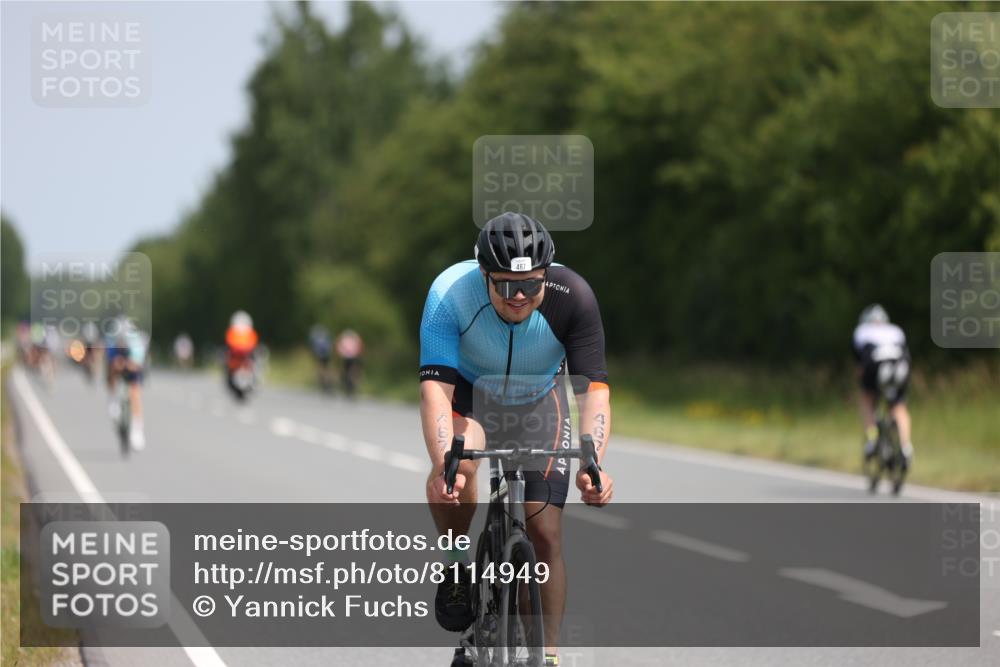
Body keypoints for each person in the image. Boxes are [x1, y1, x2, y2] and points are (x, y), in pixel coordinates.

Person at [419, 212, 613, 667]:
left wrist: (593, 465)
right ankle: (455, 561)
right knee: (460, 470)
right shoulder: (450, 294)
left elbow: (594, 393)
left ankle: (545, 655)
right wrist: (444, 461)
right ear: (483, 274)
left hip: (538, 400)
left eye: (532, 284)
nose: (520, 296)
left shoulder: (574, 297)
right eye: (506, 286)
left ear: (548, 273)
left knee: (545, 533)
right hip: (470, 395)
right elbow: (435, 390)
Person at [853, 304, 913, 468]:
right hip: (900, 366)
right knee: (899, 407)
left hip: (875, 365)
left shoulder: (862, 331)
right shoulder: (896, 330)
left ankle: (872, 439)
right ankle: (905, 447)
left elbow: (860, 365)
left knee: (867, 399)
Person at [105, 316, 148, 449]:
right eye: (120, 341)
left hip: (133, 365)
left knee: (135, 393)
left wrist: (128, 365)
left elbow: (138, 365)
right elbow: (111, 364)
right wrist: (116, 365)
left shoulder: (136, 344)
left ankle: (137, 430)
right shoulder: (112, 343)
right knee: (111, 371)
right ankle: (113, 400)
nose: (121, 344)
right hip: (117, 363)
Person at [224, 310, 258, 394]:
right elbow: (229, 345)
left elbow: (253, 345)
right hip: (236, 361)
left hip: (245, 359)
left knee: (256, 364)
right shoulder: (232, 333)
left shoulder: (250, 333)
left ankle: (253, 382)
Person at [335, 328, 363, 397]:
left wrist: (341, 354)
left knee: (347, 371)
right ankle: (350, 385)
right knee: (350, 372)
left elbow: (339, 348)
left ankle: (348, 384)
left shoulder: (344, 339)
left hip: (347, 357)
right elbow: (359, 347)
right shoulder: (355, 339)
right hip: (352, 357)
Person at [309, 324, 334, 392]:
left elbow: (312, 345)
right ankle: (328, 381)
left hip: (319, 354)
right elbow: (330, 343)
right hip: (327, 354)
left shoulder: (315, 335)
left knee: (320, 367)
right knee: (327, 368)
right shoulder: (325, 335)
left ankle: (322, 382)